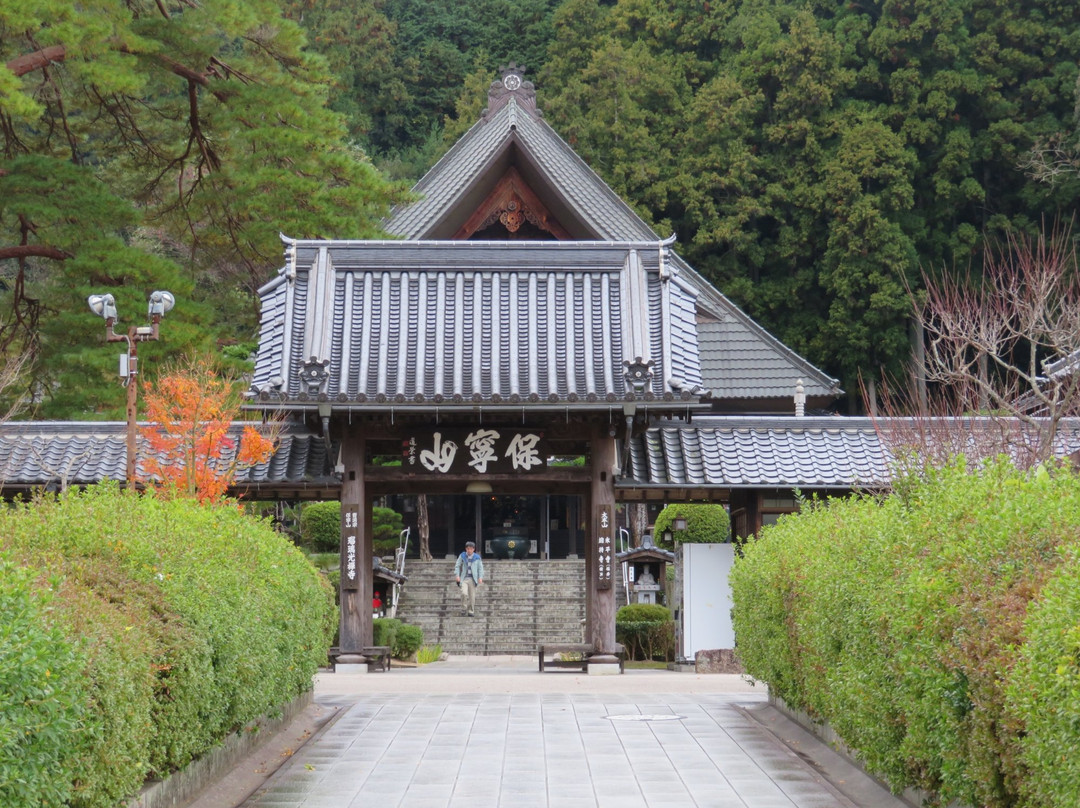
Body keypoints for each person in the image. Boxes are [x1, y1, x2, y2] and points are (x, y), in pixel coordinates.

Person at [454, 541, 484, 617]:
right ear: (465, 549)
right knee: (464, 593)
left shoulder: (477, 557)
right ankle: (464, 608)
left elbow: (480, 568)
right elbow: (457, 565)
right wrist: (457, 575)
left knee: (472, 596)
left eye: (470, 549)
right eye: (467, 549)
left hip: (473, 579)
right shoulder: (462, 556)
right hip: (464, 578)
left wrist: (480, 577)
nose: (469, 550)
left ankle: (471, 611)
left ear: (473, 549)